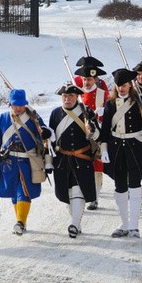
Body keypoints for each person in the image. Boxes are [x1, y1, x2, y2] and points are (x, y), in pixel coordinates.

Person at [0, 88, 52, 235]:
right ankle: (21, 221)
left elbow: (45, 140)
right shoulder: (3, 118)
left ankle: (20, 222)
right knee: (14, 192)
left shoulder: (34, 118)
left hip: (27, 162)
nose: (18, 107)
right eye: (15, 105)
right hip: (8, 162)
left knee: (24, 192)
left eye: (21, 105)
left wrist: (48, 161)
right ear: (10, 104)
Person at [100, 68, 142, 238]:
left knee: (135, 185)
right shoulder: (109, 104)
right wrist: (103, 149)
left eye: (124, 85)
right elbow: (105, 130)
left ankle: (134, 225)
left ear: (130, 85)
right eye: (118, 86)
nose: (121, 89)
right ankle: (124, 223)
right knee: (120, 185)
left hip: (135, 147)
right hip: (116, 148)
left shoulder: (140, 102)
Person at [47, 82, 100, 238]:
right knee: (68, 194)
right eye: (64, 96)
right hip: (62, 160)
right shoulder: (55, 114)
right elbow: (50, 141)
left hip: (81, 159)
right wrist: (48, 161)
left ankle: (74, 224)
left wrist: (92, 129)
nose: (67, 99)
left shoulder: (87, 112)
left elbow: (98, 136)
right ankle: (76, 222)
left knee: (79, 191)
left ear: (77, 96)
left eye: (70, 96)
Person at [74, 59, 110, 211]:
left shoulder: (104, 94)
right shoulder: (77, 95)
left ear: (95, 79)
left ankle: (94, 197)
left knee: (97, 167)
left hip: (97, 135)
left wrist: (103, 114)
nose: (86, 82)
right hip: (80, 134)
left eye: (89, 79)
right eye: (84, 79)